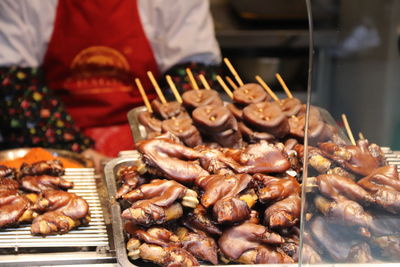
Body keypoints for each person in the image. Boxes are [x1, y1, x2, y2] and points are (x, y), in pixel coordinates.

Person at [0, 0, 222, 169]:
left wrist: (161, 145)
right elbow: (16, 85)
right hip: (57, 146)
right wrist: (78, 152)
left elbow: (191, 77)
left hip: (148, 131)